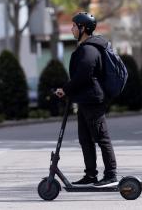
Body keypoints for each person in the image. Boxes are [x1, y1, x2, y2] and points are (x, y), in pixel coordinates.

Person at [55, 12, 117, 187]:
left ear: (83, 28)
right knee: (85, 139)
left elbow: (83, 75)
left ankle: (111, 175)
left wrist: (65, 89)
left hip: (93, 100)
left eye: (75, 26)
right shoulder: (85, 47)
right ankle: (90, 175)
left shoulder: (89, 49)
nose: (72, 28)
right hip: (84, 100)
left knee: (101, 138)